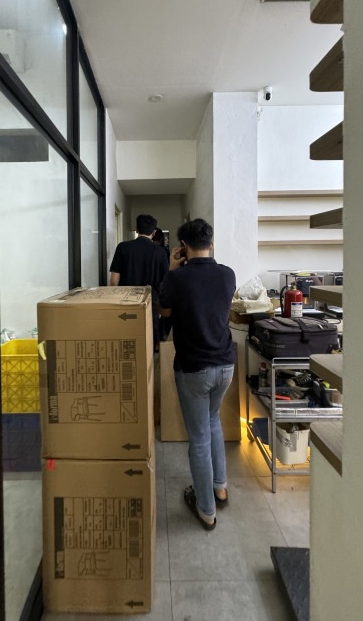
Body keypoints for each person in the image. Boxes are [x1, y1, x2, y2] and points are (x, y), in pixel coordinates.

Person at [158, 218, 236, 531]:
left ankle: (206, 510)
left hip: (194, 369)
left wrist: (172, 269)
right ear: (211, 244)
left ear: (183, 247)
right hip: (226, 365)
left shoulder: (177, 278)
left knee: (199, 438)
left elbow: (164, 311)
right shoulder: (228, 274)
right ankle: (220, 487)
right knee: (213, 421)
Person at [109, 213, 169, 349]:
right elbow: (165, 282)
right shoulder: (160, 252)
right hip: (151, 302)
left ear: (136, 229)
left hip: (126, 303)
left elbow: (113, 281)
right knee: (149, 340)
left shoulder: (123, 247)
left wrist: (112, 302)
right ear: (154, 232)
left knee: (127, 340)